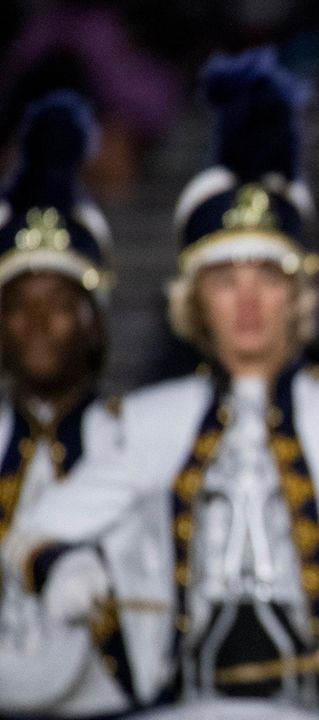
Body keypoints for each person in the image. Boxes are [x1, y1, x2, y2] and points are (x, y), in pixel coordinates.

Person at [6, 48, 319, 720]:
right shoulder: (146, 423)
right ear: (198, 299)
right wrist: (65, 568)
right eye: (228, 281)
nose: (250, 303)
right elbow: (35, 535)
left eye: (268, 279)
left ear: (298, 294)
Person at [0, 90, 135, 718]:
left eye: (58, 305)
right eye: (19, 306)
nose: (38, 325)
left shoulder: (140, 440)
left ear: (94, 322)